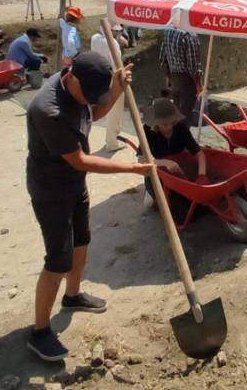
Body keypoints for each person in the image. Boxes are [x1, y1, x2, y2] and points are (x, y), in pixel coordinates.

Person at [25, 52, 155, 361]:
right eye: (90, 95)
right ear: (73, 77)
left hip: (74, 184)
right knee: (57, 258)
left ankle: (72, 296)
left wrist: (118, 88)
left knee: (82, 241)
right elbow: (80, 161)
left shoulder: (80, 89)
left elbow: (93, 115)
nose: (92, 101)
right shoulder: (49, 109)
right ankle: (40, 331)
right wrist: (132, 170)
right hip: (51, 190)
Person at [141, 96, 209, 221]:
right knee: (181, 213)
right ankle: (152, 193)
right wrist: (165, 162)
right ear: (156, 122)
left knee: (200, 205)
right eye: (164, 124)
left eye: (171, 122)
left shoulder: (181, 128)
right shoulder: (147, 131)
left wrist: (202, 176)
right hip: (158, 172)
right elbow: (141, 160)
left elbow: (199, 153)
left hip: (180, 169)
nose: (169, 127)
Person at [90, 24, 130, 151]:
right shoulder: (112, 43)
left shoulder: (94, 38)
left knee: (106, 108)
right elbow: (116, 63)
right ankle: (112, 142)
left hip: (99, 77)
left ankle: (111, 139)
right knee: (115, 110)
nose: (117, 33)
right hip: (113, 78)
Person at [159, 27, 203, 124]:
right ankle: (181, 137)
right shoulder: (189, 35)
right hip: (187, 80)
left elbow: (163, 58)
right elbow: (193, 66)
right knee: (185, 115)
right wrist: (199, 86)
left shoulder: (168, 31)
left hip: (174, 77)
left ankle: (174, 136)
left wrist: (169, 78)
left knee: (177, 113)